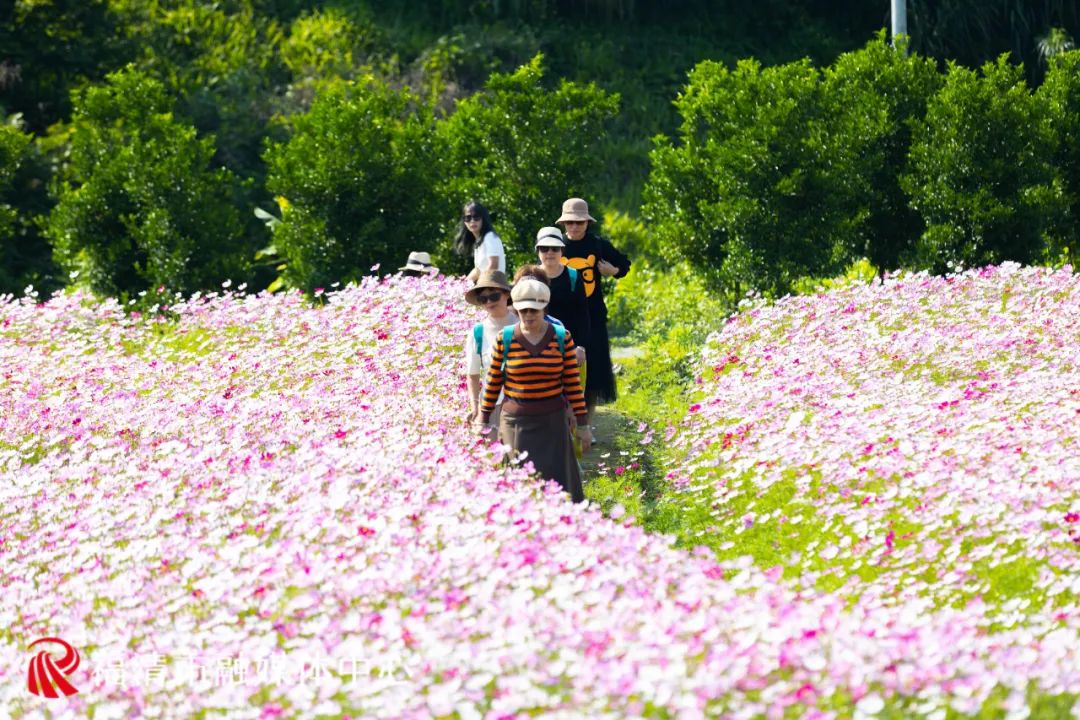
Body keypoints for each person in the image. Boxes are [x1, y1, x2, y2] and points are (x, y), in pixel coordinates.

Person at [477, 279, 592, 503]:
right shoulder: (506, 338)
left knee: (558, 487)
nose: (529, 315)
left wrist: (583, 424)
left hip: (553, 424)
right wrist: (484, 421)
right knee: (522, 486)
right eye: (523, 310)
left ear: (543, 308)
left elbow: (572, 384)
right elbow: (493, 382)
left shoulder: (561, 337)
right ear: (516, 309)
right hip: (516, 424)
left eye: (534, 310)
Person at [555, 197, 630, 424]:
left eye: (579, 222)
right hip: (561, 318)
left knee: (594, 371)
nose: (575, 227)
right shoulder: (556, 245)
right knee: (559, 370)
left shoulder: (598, 244)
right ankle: (563, 423)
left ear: (587, 223)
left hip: (594, 315)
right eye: (570, 223)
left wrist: (613, 270)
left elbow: (624, 264)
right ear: (563, 224)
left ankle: (586, 423)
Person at [463, 270, 517, 427]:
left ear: (506, 294)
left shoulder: (523, 324)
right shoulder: (477, 332)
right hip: (491, 406)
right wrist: (475, 408)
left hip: (523, 404)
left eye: (494, 296)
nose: (489, 302)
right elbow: (472, 375)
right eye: (483, 299)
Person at [534, 226, 591, 357]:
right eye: (544, 248)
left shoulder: (573, 276)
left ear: (562, 251)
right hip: (538, 346)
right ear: (537, 251)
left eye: (555, 248)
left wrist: (581, 346)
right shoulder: (531, 276)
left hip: (569, 346)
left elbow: (583, 314)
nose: (550, 252)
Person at [453, 200, 505, 282]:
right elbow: (478, 270)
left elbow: (493, 265)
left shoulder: (490, 236)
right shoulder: (479, 241)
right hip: (485, 285)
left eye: (476, 217)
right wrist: (462, 284)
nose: (472, 221)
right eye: (468, 218)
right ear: (464, 221)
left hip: (494, 287)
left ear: (483, 219)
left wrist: (479, 284)